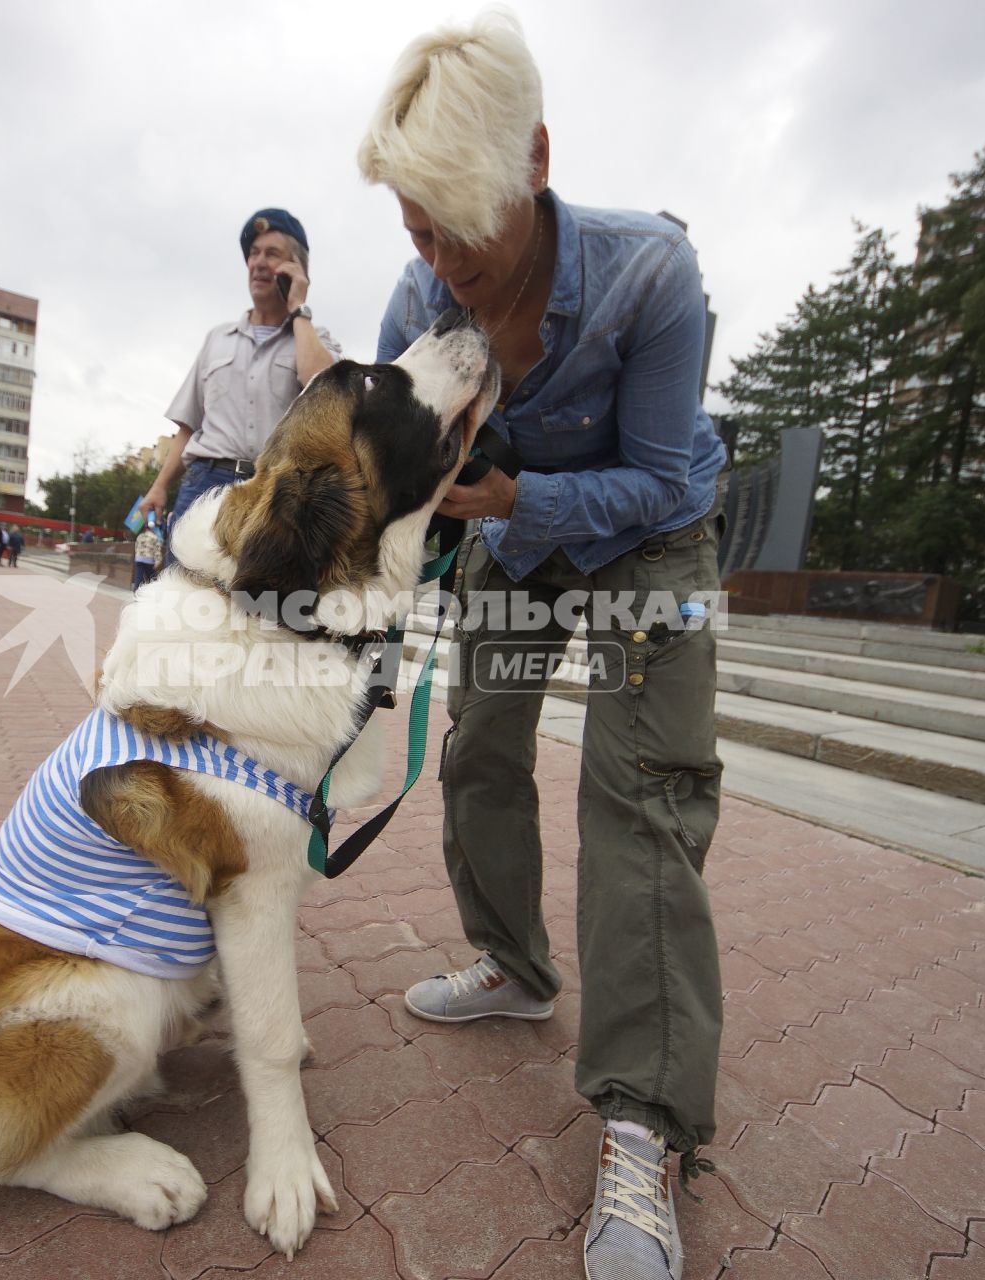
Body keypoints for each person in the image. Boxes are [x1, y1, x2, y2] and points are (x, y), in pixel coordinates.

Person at [361, 16, 728, 1280]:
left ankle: (642, 1118)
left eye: (459, 225)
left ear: (535, 160)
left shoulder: (650, 275)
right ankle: (513, 963)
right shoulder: (420, 289)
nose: (442, 264)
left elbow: (655, 477)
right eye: (415, 229)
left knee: (640, 797)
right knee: (477, 746)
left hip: (645, 535)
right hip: (504, 543)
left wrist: (516, 500)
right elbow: (393, 457)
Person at [138, 209, 343, 531]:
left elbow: (325, 390)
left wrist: (299, 310)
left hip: (276, 491)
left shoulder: (316, 341)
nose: (258, 263)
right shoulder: (217, 340)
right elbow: (189, 426)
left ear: (296, 269)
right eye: (253, 254)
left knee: (265, 584)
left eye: (272, 254)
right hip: (206, 485)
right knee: (185, 582)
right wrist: (159, 487)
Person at [132, 514, 164, 590]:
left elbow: (136, 547)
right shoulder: (155, 537)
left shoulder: (140, 536)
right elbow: (157, 551)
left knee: (138, 576)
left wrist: (137, 556)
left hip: (139, 559)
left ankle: (136, 591)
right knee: (152, 577)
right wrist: (158, 562)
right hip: (149, 560)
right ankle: (152, 591)